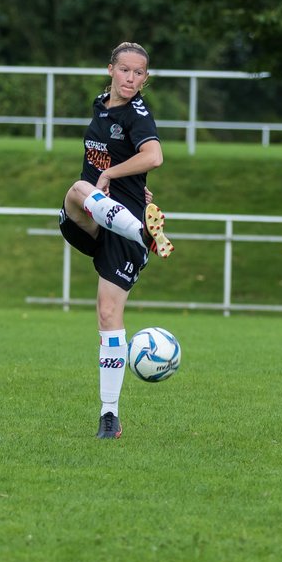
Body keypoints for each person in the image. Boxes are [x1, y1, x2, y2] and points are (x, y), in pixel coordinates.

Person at [58, 41, 174, 440]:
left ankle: (109, 416)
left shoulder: (138, 114)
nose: (131, 78)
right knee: (77, 191)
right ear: (111, 70)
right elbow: (102, 158)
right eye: (125, 70)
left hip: (121, 226)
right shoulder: (99, 104)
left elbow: (154, 156)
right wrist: (116, 180)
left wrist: (113, 176)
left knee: (108, 316)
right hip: (97, 217)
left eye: (139, 73)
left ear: (146, 78)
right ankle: (143, 232)